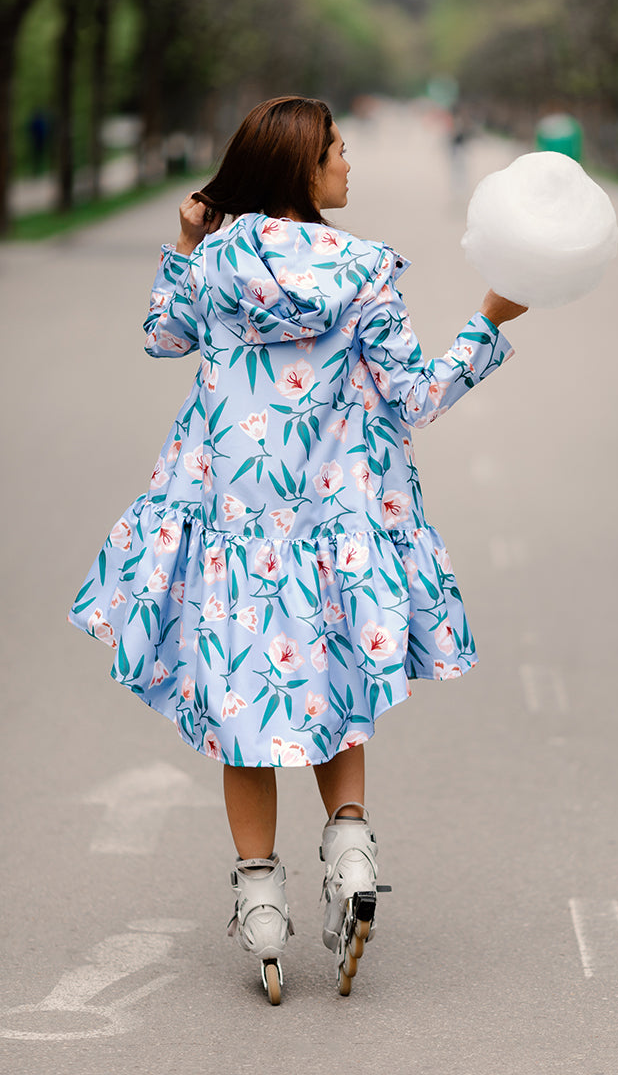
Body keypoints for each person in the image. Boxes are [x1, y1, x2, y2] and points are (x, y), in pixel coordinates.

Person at [68, 95, 526, 1003]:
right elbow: (416, 397)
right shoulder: (363, 271)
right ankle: (350, 853)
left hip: (236, 525)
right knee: (337, 687)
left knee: (244, 709)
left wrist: (189, 241)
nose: (348, 165)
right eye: (337, 153)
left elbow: (163, 337)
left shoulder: (216, 269)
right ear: (301, 173)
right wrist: (489, 322)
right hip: (331, 527)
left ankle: (262, 907)